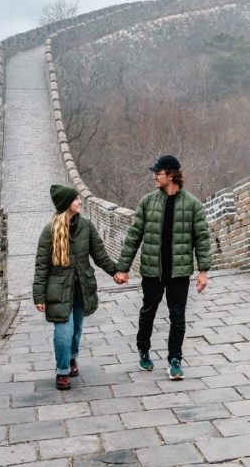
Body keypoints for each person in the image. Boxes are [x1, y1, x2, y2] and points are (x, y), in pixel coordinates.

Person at [114, 155, 211, 381]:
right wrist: (123, 268)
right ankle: (144, 350)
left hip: (179, 271)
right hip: (152, 271)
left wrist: (203, 271)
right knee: (148, 311)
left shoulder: (192, 205)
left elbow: (202, 239)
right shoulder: (148, 202)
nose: (154, 177)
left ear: (170, 174)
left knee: (178, 316)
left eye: (157, 173)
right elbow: (133, 236)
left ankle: (174, 360)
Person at [33, 184, 118, 390]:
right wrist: (39, 296)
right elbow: (42, 265)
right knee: (63, 332)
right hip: (59, 290)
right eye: (75, 199)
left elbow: (100, 255)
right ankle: (62, 371)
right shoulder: (50, 231)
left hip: (81, 287)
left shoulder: (86, 226)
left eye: (79, 198)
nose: (80, 202)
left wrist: (116, 272)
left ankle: (71, 358)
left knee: (76, 329)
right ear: (65, 204)